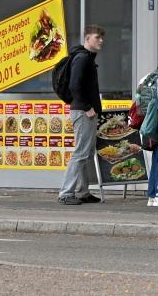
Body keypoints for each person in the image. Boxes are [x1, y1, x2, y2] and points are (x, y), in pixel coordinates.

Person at [58, 25, 106, 206]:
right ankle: (65, 192)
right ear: (87, 38)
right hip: (82, 111)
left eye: (102, 37)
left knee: (86, 153)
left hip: (85, 111)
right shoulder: (82, 58)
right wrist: (87, 107)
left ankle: (82, 191)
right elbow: (74, 86)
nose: (101, 40)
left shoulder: (87, 58)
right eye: (97, 37)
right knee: (80, 153)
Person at [136, 64, 158, 207]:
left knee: (156, 159)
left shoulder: (147, 78)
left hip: (148, 124)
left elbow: (137, 102)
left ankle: (152, 195)